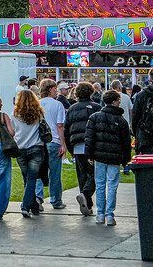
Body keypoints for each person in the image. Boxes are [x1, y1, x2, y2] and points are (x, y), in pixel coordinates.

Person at [85, 90, 132, 226]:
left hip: (99, 155)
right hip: (115, 156)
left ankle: (100, 214)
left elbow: (90, 137)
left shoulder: (95, 117)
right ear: (114, 101)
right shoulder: (121, 120)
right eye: (118, 100)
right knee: (112, 185)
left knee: (100, 184)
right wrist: (126, 158)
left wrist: (89, 154)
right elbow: (126, 142)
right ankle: (109, 214)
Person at [64, 81, 100, 216]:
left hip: (77, 146)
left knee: (82, 175)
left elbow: (67, 129)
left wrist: (70, 148)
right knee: (95, 174)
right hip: (92, 146)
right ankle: (85, 195)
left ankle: (87, 203)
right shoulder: (96, 107)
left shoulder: (72, 109)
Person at [11, 90, 45, 218]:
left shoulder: (15, 114)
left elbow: (13, 131)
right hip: (36, 147)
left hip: (20, 148)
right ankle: (27, 206)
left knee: (27, 178)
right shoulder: (38, 113)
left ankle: (32, 205)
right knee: (31, 179)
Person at [35, 79, 67, 211]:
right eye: (54, 89)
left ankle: (38, 197)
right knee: (55, 172)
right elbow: (60, 125)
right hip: (54, 140)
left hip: (39, 142)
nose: (56, 91)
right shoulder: (57, 105)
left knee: (39, 171)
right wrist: (63, 144)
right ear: (50, 90)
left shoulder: (37, 104)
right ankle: (56, 199)